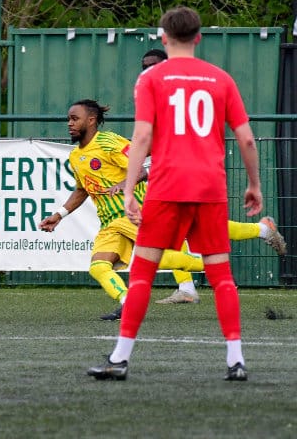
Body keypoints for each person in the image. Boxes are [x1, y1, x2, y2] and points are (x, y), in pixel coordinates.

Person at [88, 6, 262, 381]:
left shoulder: (150, 79)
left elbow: (141, 137)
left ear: (163, 37)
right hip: (209, 187)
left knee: (142, 273)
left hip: (166, 186)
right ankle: (236, 361)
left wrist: (130, 189)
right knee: (222, 276)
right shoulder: (221, 79)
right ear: (199, 37)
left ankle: (120, 359)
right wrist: (254, 184)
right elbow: (247, 139)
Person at [134, 49, 286, 305]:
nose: (148, 70)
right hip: (177, 175)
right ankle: (189, 286)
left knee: (191, 229)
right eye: (144, 66)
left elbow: (181, 142)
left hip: (193, 176)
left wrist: (142, 172)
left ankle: (255, 237)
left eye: (154, 65)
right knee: (181, 230)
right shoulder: (156, 94)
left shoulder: (180, 94)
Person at [39, 100, 206, 320]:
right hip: (110, 222)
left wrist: (125, 183)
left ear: (91, 120)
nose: (69, 123)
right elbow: (82, 190)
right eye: (69, 119)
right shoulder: (75, 156)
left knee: (162, 259)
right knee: (98, 267)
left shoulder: (108, 142)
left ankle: (214, 265)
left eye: (75, 119)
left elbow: (141, 168)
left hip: (133, 214)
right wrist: (59, 215)